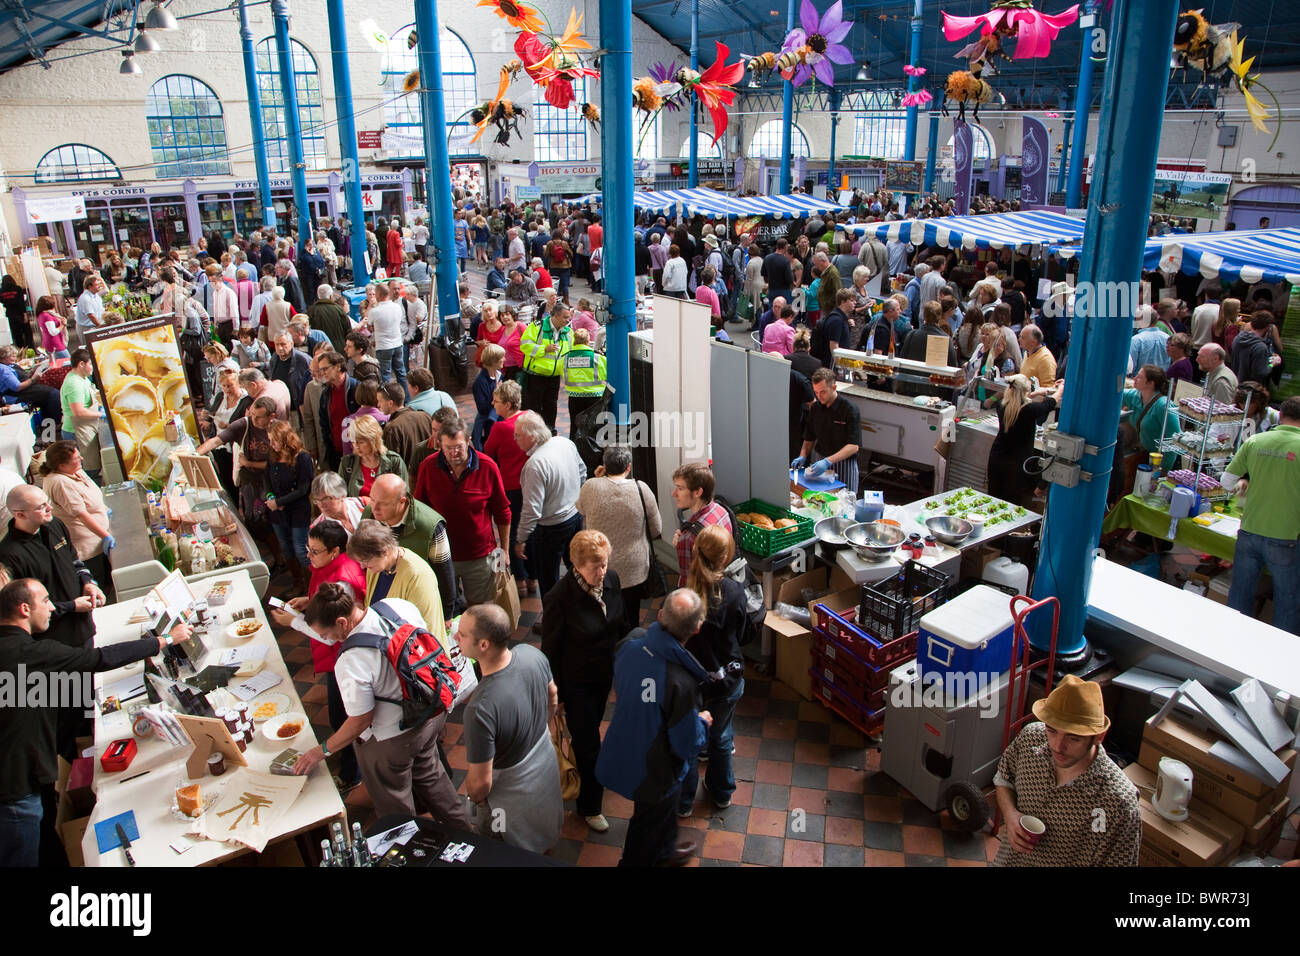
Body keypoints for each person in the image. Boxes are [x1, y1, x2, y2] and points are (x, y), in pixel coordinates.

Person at [0, 578, 188, 866]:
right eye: (46, 600)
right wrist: (164, 640)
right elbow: (99, 658)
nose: (52, 607)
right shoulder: (33, 653)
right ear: (25, 609)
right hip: (16, 791)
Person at [295, 582, 468, 827]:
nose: (325, 639)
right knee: (432, 776)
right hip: (430, 713)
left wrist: (320, 750)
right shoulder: (396, 606)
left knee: (394, 802)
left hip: (393, 738)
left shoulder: (350, 660)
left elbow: (360, 721)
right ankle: (464, 836)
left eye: (325, 634)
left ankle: (406, 849)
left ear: (342, 622)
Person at [596, 589, 712, 867]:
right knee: (648, 822)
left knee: (659, 816)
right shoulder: (681, 681)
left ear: (660, 615)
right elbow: (686, 744)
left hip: (624, 743)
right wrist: (701, 722)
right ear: (697, 629)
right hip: (654, 770)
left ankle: (664, 851)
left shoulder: (630, 643)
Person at [992, 674, 1140, 866]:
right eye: (1052, 730)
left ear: (1098, 736)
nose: (1058, 746)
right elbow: (1004, 778)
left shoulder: (1117, 803)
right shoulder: (1031, 738)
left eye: (1073, 738)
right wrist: (1010, 814)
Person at [540, 530, 625, 833]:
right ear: (576, 564)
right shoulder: (559, 599)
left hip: (603, 675)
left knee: (592, 735)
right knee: (587, 742)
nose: (601, 573)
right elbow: (550, 650)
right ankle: (589, 806)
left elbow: (618, 624)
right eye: (594, 567)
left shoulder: (612, 580)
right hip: (576, 684)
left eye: (603, 564)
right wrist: (556, 694)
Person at [459, 603, 563, 852]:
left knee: (498, 852)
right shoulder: (532, 654)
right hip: (545, 771)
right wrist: (539, 728)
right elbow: (553, 696)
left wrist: (476, 800)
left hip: (508, 801)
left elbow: (481, 785)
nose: (455, 637)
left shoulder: (479, 709)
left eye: (462, 634)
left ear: (483, 644)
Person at [678, 525, 747, 816]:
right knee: (720, 737)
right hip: (725, 680)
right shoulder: (733, 591)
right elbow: (742, 633)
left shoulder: (684, 593)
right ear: (724, 558)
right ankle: (721, 793)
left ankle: (683, 804)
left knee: (687, 741)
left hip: (691, 683)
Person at [1219, 397, 1300, 635]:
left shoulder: (1255, 441)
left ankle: (1230, 641)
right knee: (1287, 600)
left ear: (1281, 415)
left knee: (1240, 593)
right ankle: (1280, 654)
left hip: (1249, 530)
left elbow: (1226, 482)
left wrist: (1248, 479)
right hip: (1286, 535)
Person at [414, 418, 512, 607]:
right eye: (448, 447)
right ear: (439, 445)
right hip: (441, 554)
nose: (454, 453)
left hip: (480, 555)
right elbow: (420, 510)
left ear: (468, 440)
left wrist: (504, 551)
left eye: (458, 446)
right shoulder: (428, 467)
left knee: (480, 607)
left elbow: (502, 511)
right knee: (444, 607)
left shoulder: (487, 467)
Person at [576, 446, 661, 633]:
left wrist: (597, 479)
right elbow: (656, 530)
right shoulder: (642, 489)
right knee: (631, 613)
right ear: (628, 467)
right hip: (634, 567)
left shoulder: (590, 486)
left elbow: (581, 508)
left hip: (601, 565)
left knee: (603, 611)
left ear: (604, 466)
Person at [514, 411, 586, 599]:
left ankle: (554, 622)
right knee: (578, 569)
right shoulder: (565, 443)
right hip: (575, 517)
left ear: (531, 436)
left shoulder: (534, 465)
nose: (515, 440)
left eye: (518, 435)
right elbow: (582, 472)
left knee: (549, 579)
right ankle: (581, 607)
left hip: (550, 529)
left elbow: (531, 510)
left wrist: (521, 539)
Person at [347, 519, 448, 650]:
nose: (362, 566)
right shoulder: (376, 567)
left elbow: (427, 629)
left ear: (384, 551)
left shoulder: (417, 574)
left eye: (365, 560)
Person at [39, 440, 113, 591]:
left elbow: (91, 494)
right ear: (62, 466)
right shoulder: (60, 482)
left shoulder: (74, 470)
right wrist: (105, 535)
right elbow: (81, 514)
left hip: (98, 536)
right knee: (98, 586)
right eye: (76, 459)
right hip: (87, 546)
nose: (81, 459)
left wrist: (104, 510)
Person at [483, 380, 533, 594]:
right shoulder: (530, 418)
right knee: (530, 529)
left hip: (511, 487)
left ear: (508, 404)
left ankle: (520, 579)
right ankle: (533, 578)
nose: (493, 404)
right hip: (531, 485)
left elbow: (487, 451)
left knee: (512, 532)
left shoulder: (501, 428)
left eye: (497, 402)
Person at [195, 396, 278, 523]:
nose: (254, 419)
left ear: (271, 416)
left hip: (272, 479)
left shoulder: (278, 430)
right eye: (252, 414)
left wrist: (249, 463)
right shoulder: (243, 424)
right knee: (253, 516)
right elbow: (216, 441)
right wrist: (195, 455)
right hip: (251, 480)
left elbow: (277, 463)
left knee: (274, 516)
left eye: (259, 417)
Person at [986, 376, 1063, 506]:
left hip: (996, 459)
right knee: (1010, 504)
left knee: (994, 499)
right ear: (1024, 392)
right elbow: (1050, 403)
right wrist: (1061, 388)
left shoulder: (1002, 405)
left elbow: (1020, 400)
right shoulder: (1029, 410)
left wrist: (1037, 393)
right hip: (1016, 465)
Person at [792, 368, 862, 492]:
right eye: (816, 392)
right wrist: (802, 456)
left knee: (845, 503)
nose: (819, 396)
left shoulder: (849, 409)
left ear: (834, 387)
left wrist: (828, 461)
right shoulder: (815, 408)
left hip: (844, 464)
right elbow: (809, 438)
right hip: (820, 464)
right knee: (819, 501)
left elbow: (853, 446)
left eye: (823, 392)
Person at [266, 420, 315, 588]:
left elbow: (303, 489)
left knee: (301, 550)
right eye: (270, 441)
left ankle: (311, 587)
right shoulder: (272, 457)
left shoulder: (302, 457)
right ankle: (297, 583)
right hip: (277, 512)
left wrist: (279, 502)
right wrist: (271, 498)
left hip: (298, 510)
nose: (272, 445)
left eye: (275, 440)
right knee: (286, 548)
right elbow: (267, 483)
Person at [670, 462, 733, 585]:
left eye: (680, 488)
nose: (674, 494)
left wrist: (681, 544)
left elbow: (688, 583)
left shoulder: (689, 538)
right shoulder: (721, 511)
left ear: (698, 492)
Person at [520, 301, 572, 433]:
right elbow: (525, 345)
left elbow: (569, 352)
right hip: (535, 376)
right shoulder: (537, 327)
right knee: (534, 407)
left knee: (551, 406)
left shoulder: (568, 332)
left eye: (569, 317)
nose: (568, 320)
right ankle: (533, 433)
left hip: (554, 377)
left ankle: (550, 432)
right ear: (555, 316)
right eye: (565, 317)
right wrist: (544, 349)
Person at [338, 414, 407, 499]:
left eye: (361, 442)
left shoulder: (394, 461)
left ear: (373, 440)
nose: (356, 446)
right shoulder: (347, 463)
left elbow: (404, 494)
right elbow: (340, 497)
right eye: (353, 441)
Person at [58, 348, 102, 481]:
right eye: (91, 364)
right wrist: (101, 415)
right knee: (89, 468)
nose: (92, 368)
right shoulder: (74, 384)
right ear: (81, 364)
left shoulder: (82, 378)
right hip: (76, 431)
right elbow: (78, 411)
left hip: (86, 427)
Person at [0, 345, 61, 433]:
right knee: (53, 394)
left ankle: (48, 428)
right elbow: (17, 387)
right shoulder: (3, 370)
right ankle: (56, 424)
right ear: (5, 357)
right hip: (15, 394)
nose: (15, 358)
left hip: (23, 389)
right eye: (13, 356)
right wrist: (33, 379)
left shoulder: (8, 364)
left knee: (47, 394)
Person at [377, 380, 433, 476]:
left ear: (390, 403)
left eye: (380, 401)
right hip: (429, 475)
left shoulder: (392, 428)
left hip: (409, 481)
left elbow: (392, 464)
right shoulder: (425, 416)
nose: (378, 405)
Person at [318, 350, 360, 471]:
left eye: (325, 369)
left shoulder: (355, 388)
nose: (323, 373)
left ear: (337, 367)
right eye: (321, 370)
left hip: (356, 450)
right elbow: (324, 423)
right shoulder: (326, 393)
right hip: (336, 451)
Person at [472, 343, 505, 451]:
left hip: (499, 418)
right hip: (488, 423)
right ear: (494, 361)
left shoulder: (498, 375)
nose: (504, 359)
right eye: (502, 357)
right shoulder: (480, 383)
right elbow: (483, 409)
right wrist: (497, 394)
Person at [1230, 312, 1275, 384]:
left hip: (1234, 382)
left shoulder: (1238, 338)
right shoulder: (1260, 347)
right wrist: (1272, 364)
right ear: (1267, 327)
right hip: (1249, 388)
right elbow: (1260, 373)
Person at [307, 284, 352, 353]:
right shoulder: (338, 309)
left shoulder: (311, 311)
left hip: (320, 349)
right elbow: (348, 330)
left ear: (318, 296)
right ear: (331, 296)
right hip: (340, 349)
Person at [762, 238, 794, 305]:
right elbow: (789, 279)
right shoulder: (785, 260)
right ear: (785, 247)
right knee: (784, 312)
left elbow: (764, 274)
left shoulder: (767, 258)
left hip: (772, 289)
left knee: (773, 309)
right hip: (784, 290)